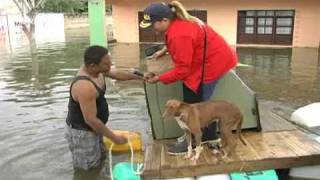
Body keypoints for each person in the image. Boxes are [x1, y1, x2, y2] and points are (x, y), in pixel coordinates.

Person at [140, 1, 238, 155]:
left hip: (212, 63)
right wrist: (165, 50)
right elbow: (187, 43)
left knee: (195, 104)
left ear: (165, 20)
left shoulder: (180, 34)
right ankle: (205, 135)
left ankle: (198, 140)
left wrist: (159, 78)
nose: (153, 28)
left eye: (153, 24)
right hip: (212, 56)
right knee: (192, 97)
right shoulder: (178, 21)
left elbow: (183, 71)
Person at [65, 45, 144, 170]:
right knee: (88, 169)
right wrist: (115, 138)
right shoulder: (84, 86)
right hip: (83, 133)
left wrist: (141, 78)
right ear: (92, 65)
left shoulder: (98, 70)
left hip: (96, 129)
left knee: (101, 160)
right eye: (106, 64)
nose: (110, 66)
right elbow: (90, 120)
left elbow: (116, 74)